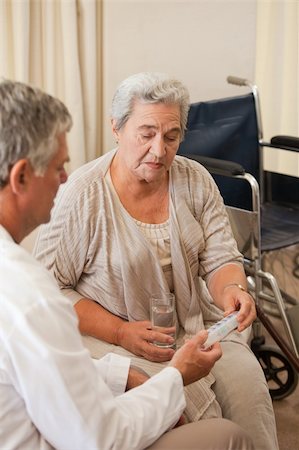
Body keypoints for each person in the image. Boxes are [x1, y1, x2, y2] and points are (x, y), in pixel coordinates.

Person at [0, 79, 255, 450]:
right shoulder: (33, 290)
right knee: (221, 432)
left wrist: (233, 288)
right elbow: (98, 436)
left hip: (190, 329)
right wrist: (165, 374)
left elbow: (221, 257)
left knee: (249, 390)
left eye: (171, 136)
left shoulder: (195, 179)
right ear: (116, 128)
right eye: (58, 167)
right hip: (117, 345)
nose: (64, 179)